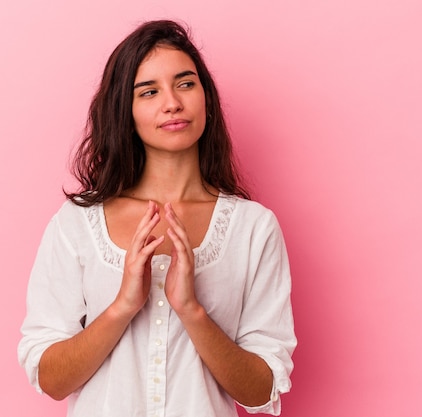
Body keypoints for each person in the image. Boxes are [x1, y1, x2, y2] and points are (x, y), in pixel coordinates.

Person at [18, 19, 296, 417]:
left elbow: (259, 391)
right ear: (124, 111)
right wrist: (122, 306)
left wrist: (191, 309)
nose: (172, 103)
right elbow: (51, 380)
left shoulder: (253, 228)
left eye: (185, 83)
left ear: (206, 98)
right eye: (149, 91)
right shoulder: (77, 223)